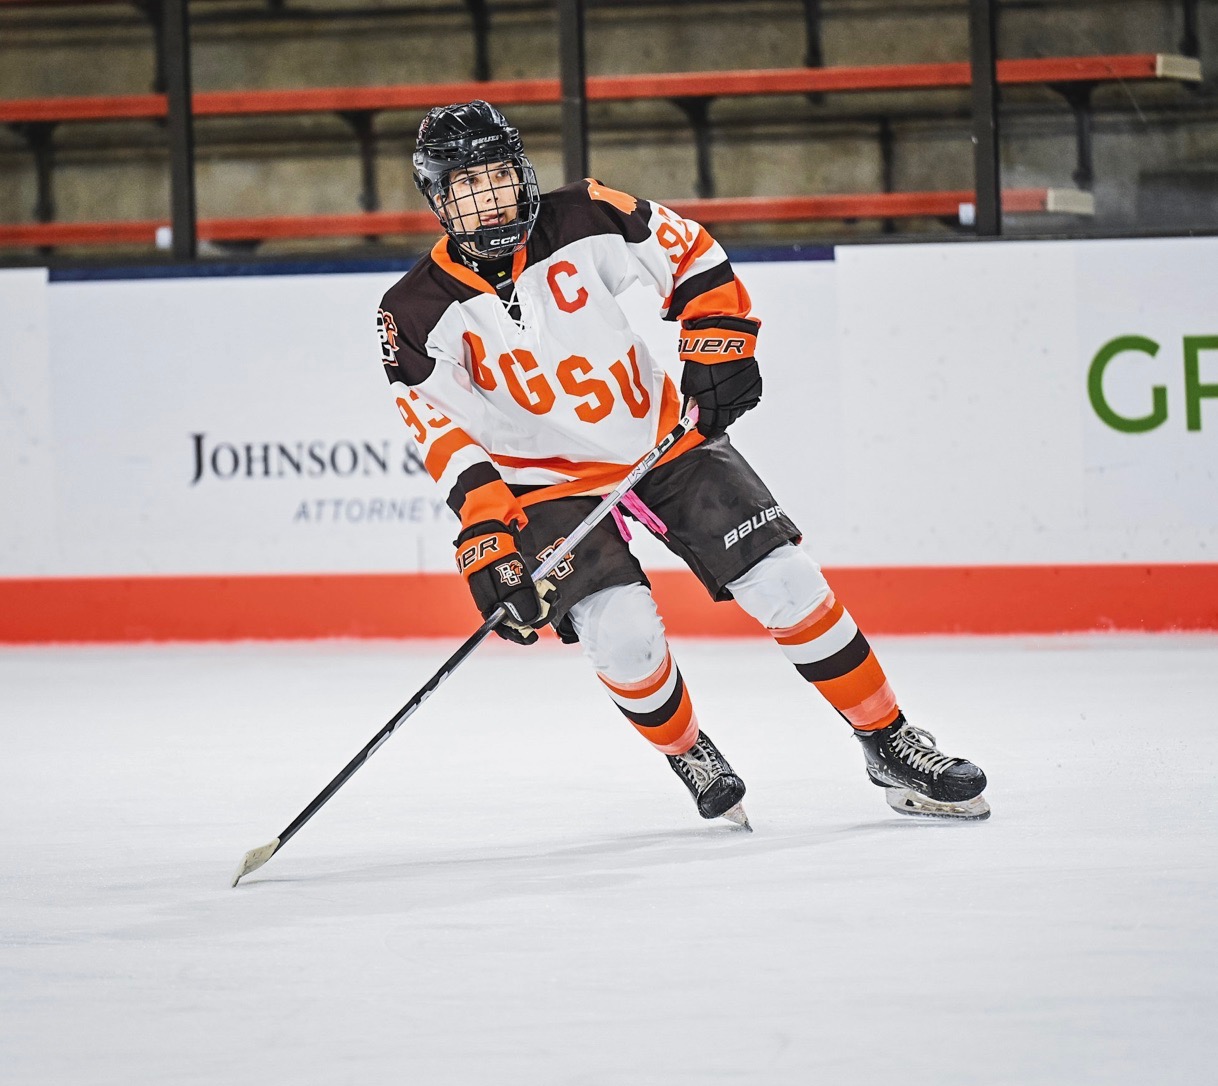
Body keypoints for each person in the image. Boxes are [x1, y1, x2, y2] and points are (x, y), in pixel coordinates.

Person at [375, 100, 990, 827]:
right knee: (625, 636)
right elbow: (443, 431)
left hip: (662, 441)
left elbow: (689, 251)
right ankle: (690, 750)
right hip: (546, 486)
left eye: (500, 176)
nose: (491, 198)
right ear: (438, 199)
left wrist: (719, 336)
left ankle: (890, 742)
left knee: (787, 580)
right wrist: (486, 533)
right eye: (467, 186)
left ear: (521, 173)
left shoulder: (584, 213)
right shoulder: (410, 312)